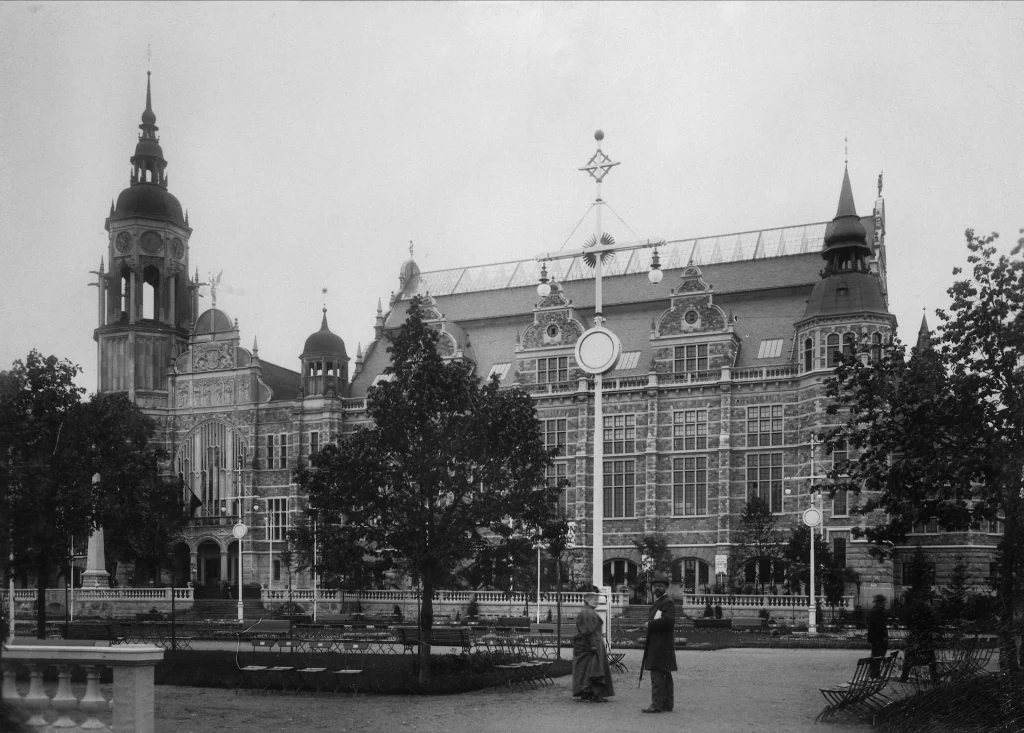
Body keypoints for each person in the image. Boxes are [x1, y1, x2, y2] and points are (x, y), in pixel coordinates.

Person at [642, 573, 677, 713]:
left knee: (657, 675)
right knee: (665, 674)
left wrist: (649, 624)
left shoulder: (667, 602)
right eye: (655, 586)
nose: (657, 588)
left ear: (666, 587)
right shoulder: (659, 602)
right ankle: (667, 704)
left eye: (660, 586)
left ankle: (657, 705)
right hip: (659, 643)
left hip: (661, 645)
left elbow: (668, 622)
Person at [571, 590, 615, 703]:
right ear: (586, 600)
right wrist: (593, 645)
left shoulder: (589, 612)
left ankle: (593, 693)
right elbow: (587, 631)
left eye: (597, 599)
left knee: (593, 668)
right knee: (592, 668)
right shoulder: (587, 613)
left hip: (594, 643)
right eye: (594, 599)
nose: (596, 601)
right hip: (591, 644)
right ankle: (590, 693)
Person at [866, 594, 889, 678]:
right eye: (883, 602)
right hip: (878, 638)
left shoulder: (874, 611)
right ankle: (874, 673)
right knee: (878, 656)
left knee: (876, 655)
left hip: (875, 638)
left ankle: (874, 672)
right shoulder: (877, 612)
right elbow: (880, 626)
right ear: (881, 602)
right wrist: (883, 637)